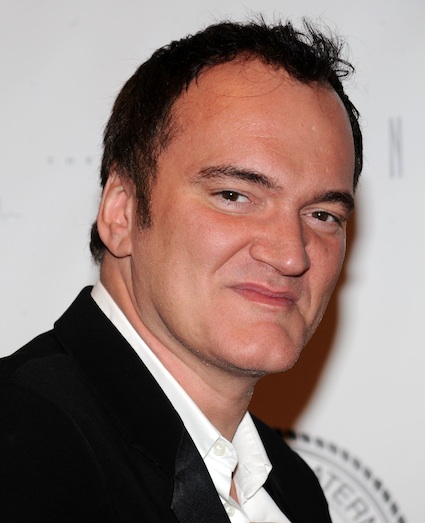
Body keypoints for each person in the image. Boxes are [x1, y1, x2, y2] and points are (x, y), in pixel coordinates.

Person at [0, 18, 362, 522]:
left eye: (322, 215)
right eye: (234, 195)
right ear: (121, 214)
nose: (291, 255)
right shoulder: (20, 442)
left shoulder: (293, 489)